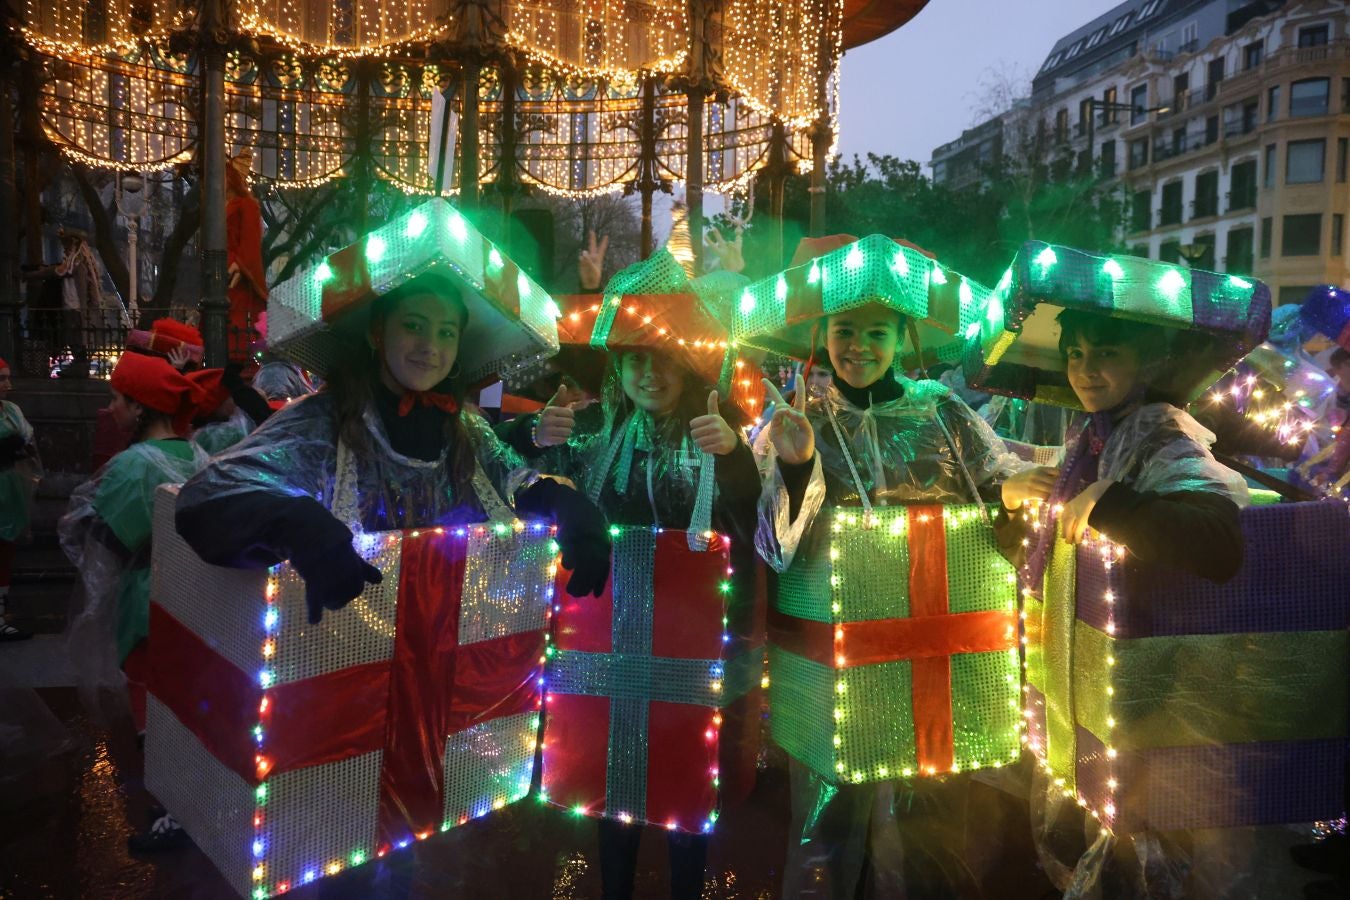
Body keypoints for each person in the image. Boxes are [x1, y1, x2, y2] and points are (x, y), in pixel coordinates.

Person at [757, 299, 1022, 898]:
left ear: (902, 338)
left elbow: (993, 480)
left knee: (934, 824)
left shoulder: (941, 408)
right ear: (821, 335)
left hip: (935, 653)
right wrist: (797, 467)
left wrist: (1014, 490)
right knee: (828, 824)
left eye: (876, 332)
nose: (858, 346)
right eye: (843, 331)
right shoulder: (798, 422)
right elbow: (775, 546)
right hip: (837, 664)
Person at [173, 271, 610, 633]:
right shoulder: (323, 419)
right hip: (335, 657)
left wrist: (564, 503)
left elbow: (513, 480)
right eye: (414, 325)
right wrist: (296, 523)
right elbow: (207, 496)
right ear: (377, 332)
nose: (430, 347)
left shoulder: (465, 428)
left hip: (448, 657)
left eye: (446, 332)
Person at [498, 322, 760, 900]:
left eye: (663, 358)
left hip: (695, 643)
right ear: (617, 368)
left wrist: (737, 457)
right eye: (634, 359)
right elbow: (500, 466)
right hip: (607, 633)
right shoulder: (596, 429)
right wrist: (529, 433)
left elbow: (758, 522)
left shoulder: (719, 426)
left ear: (688, 362)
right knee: (611, 781)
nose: (649, 374)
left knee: (688, 783)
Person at [996, 310, 1247, 581]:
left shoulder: (1163, 436)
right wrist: (1010, 502)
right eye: (1075, 354)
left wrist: (1108, 500)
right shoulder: (1087, 441)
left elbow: (1221, 549)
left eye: (1107, 353)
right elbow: (1035, 559)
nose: (1086, 370)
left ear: (1147, 363)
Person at [0, 358, 40, 641]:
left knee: (5, 553)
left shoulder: (10, 410)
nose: (8, 384)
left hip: (10, 489)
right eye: (2, 378)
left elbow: (26, 438)